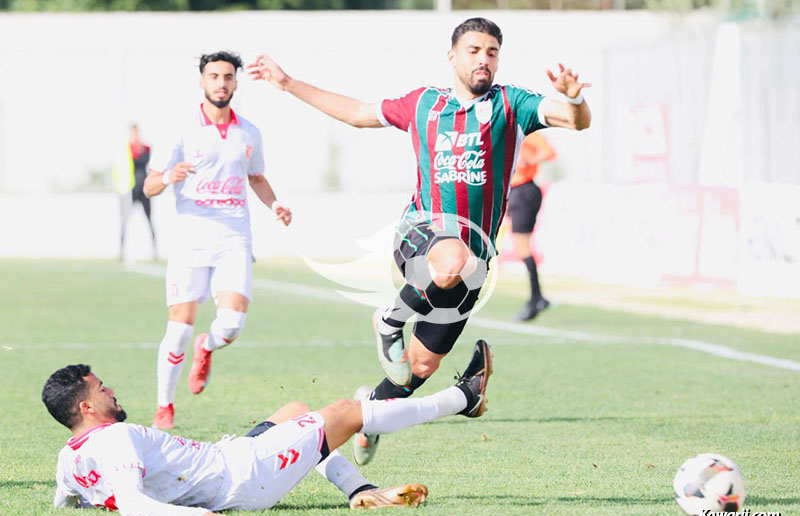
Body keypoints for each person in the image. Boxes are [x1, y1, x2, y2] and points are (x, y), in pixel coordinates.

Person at [247, 17, 591, 465]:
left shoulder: (511, 104)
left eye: (491, 52)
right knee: (452, 259)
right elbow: (356, 113)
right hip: (422, 236)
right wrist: (288, 83)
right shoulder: (423, 104)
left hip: (474, 260)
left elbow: (575, 121)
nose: (483, 59)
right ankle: (388, 320)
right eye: (473, 50)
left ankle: (368, 411)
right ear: (452, 56)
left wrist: (574, 96)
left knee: (420, 367)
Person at [41, 353, 490, 516]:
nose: (111, 391)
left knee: (296, 410)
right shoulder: (115, 439)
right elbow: (134, 505)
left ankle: (360, 490)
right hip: (242, 476)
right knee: (347, 412)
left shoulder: (70, 458)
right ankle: (460, 399)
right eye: (102, 389)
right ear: (85, 407)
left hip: (231, 459)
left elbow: (65, 502)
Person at [143, 51, 293, 430]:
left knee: (231, 325)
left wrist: (275, 204)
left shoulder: (250, 133)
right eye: (214, 76)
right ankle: (164, 407)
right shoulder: (181, 129)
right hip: (190, 241)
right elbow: (149, 185)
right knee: (178, 329)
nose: (221, 83)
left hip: (234, 239)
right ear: (202, 82)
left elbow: (256, 177)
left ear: (236, 83)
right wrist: (168, 177)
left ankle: (207, 346)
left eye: (228, 76)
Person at [507, 132, 556, 321]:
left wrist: (526, 160)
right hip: (514, 191)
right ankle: (537, 297)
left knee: (523, 246)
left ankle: (536, 297)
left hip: (524, 189)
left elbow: (549, 152)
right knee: (521, 247)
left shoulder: (526, 132)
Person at [113, 124, 157, 261]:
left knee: (150, 220)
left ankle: (155, 252)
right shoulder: (126, 150)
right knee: (124, 221)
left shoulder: (146, 148)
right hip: (130, 189)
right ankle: (121, 252)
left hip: (144, 188)